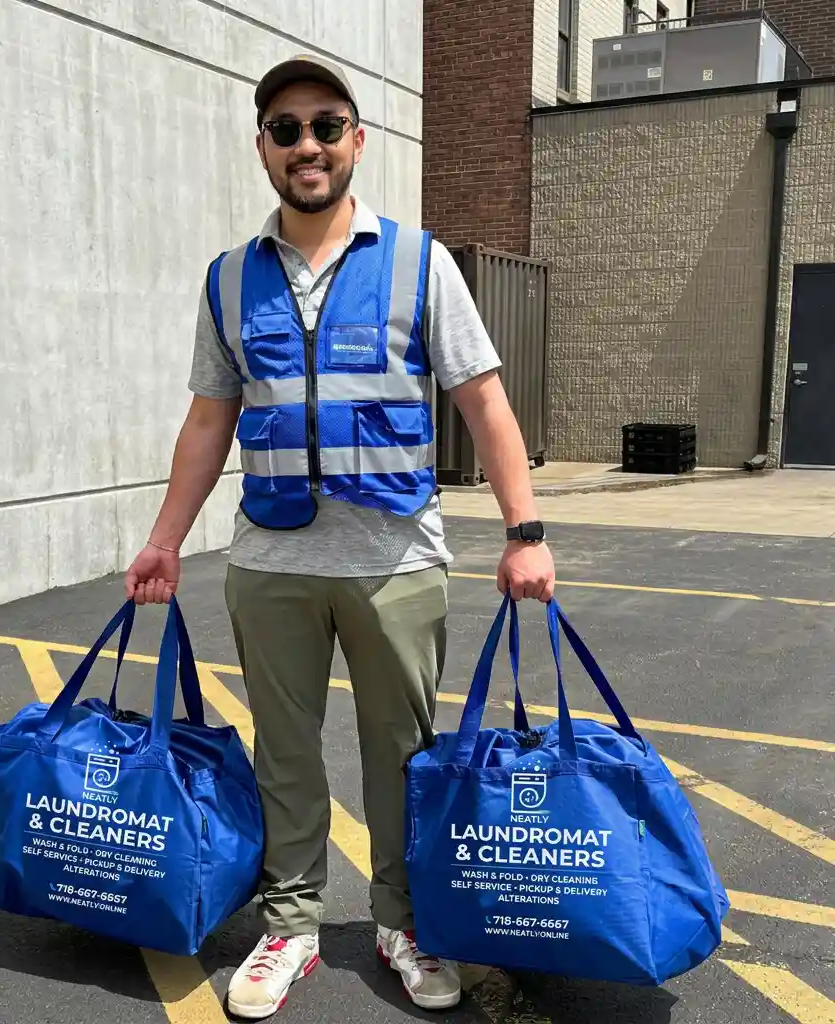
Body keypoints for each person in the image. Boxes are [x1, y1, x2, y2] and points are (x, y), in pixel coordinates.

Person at [125, 54, 556, 1019]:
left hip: (395, 561)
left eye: (327, 125)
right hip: (270, 563)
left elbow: (483, 401)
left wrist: (524, 530)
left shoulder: (417, 261)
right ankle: (293, 924)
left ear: (358, 140)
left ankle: (400, 923)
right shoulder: (230, 279)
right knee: (284, 751)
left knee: (400, 752)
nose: (307, 145)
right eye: (287, 130)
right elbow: (208, 420)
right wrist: (163, 538)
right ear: (264, 150)